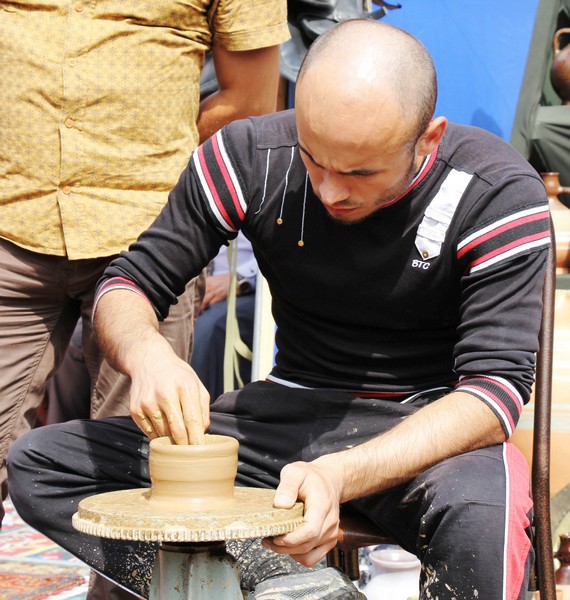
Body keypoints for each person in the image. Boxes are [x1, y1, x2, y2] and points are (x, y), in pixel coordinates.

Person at [8, 18, 552, 600]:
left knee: (483, 518)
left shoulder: (494, 191)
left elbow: (494, 394)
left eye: (359, 171)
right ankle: (285, 582)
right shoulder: (251, 156)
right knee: (42, 464)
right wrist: (147, 355)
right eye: (314, 159)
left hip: (430, 429)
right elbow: (128, 283)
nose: (329, 191)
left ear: (428, 139)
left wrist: (340, 473)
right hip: (287, 418)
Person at [0, 0, 289, 531]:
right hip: (12, 220)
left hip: (149, 236)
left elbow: (250, 99)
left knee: (138, 474)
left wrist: (147, 150)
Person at [191, 231, 258, 400]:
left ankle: (208, 411)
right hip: (194, 285)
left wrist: (242, 277)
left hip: (253, 289)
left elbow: (285, 247)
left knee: (210, 329)